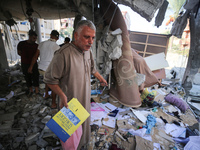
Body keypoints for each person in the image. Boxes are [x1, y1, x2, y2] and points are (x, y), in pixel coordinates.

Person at [44, 20, 107, 149]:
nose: (90, 41)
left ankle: (83, 144)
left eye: (93, 38)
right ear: (76, 36)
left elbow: (92, 69)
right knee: (71, 141)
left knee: (84, 132)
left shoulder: (88, 51)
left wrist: (100, 78)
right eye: (86, 37)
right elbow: (50, 79)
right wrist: (61, 95)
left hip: (84, 100)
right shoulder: (63, 54)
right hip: (70, 103)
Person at [28, 30, 60, 108]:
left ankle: (46, 95)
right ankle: (53, 104)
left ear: (50, 35)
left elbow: (35, 56)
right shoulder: (57, 47)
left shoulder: (41, 44)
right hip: (49, 69)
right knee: (54, 86)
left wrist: (31, 67)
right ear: (57, 38)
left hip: (41, 69)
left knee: (47, 81)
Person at [17, 30, 39, 96]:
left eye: (35, 39)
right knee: (27, 77)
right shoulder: (22, 44)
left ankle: (37, 91)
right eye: (33, 38)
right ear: (29, 37)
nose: (35, 40)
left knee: (35, 77)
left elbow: (36, 56)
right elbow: (19, 52)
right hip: (25, 64)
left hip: (34, 64)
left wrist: (31, 65)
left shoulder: (36, 46)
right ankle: (31, 90)